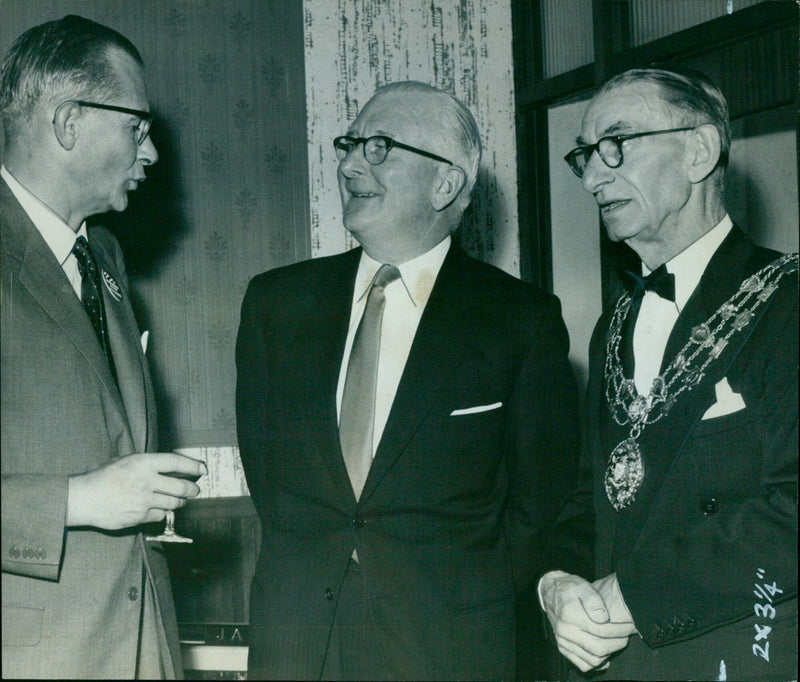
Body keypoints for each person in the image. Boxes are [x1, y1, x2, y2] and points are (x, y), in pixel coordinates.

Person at [236, 80, 580, 680]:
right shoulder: (276, 303)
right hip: (298, 642)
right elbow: (268, 473)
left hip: (448, 647)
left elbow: (539, 503)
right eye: (349, 145)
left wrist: (463, 598)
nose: (348, 165)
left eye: (378, 147)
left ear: (446, 183)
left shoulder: (520, 320)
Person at [539, 66, 798, 681]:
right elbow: (588, 498)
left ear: (699, 150)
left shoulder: (789, 300)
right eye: (586, 156)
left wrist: (630, 597)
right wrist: (557, 583)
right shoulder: (614, 325)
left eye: (616, 145)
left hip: (742, 658)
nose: (595, 175)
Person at [1, 15, 206, 679]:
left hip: (138, 645)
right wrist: (78, 503)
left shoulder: (104, 256)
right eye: (136, 127)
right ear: (67, 123)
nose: (150, 153)